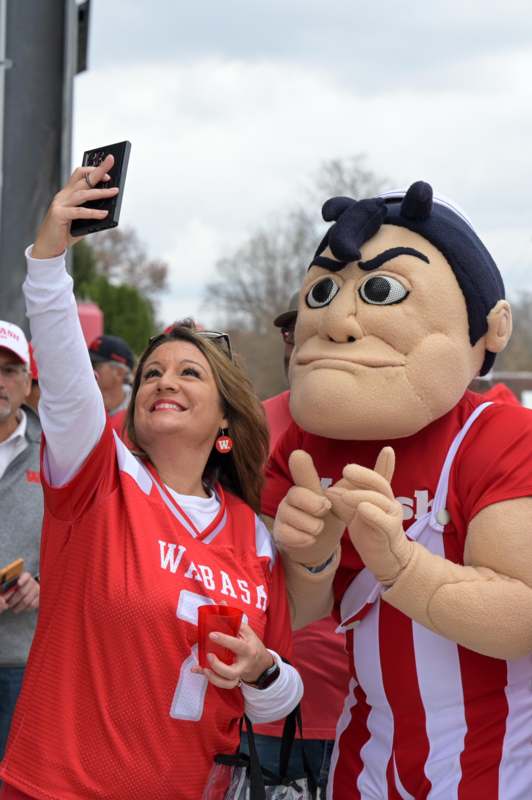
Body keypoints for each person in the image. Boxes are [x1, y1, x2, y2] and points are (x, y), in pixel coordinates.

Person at [0, 155, 302, 800]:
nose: (164, 379)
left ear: (227, 415)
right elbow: (67, 385)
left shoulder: (251, 533)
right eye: (154, 371)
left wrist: (263, 669)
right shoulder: (100, 480)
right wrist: (49, 260)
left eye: (190, 373)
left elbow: (275, 704)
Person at [263, 183, 532, 798]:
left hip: (494, 766)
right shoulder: (305, 447)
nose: (337, 322)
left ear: (489, 328)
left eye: (381, 290)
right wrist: (312, 559)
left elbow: (521, 615)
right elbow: (295, 616)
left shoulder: (500, 436)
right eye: (323, 292)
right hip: (365, 758)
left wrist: (402, 564)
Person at [247, 295, 350, 793]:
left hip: (369, 703)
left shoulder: (393, 425)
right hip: (267, 696)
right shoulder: (248, 428)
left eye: (315, 330)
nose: (302, 344)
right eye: (293, 333)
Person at [0, 322, 41, 761]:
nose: (0, 381)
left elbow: (82, 549)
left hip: (22, 659)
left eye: (10, 370)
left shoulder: (56, 454)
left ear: (29, 382)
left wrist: (42, 585)